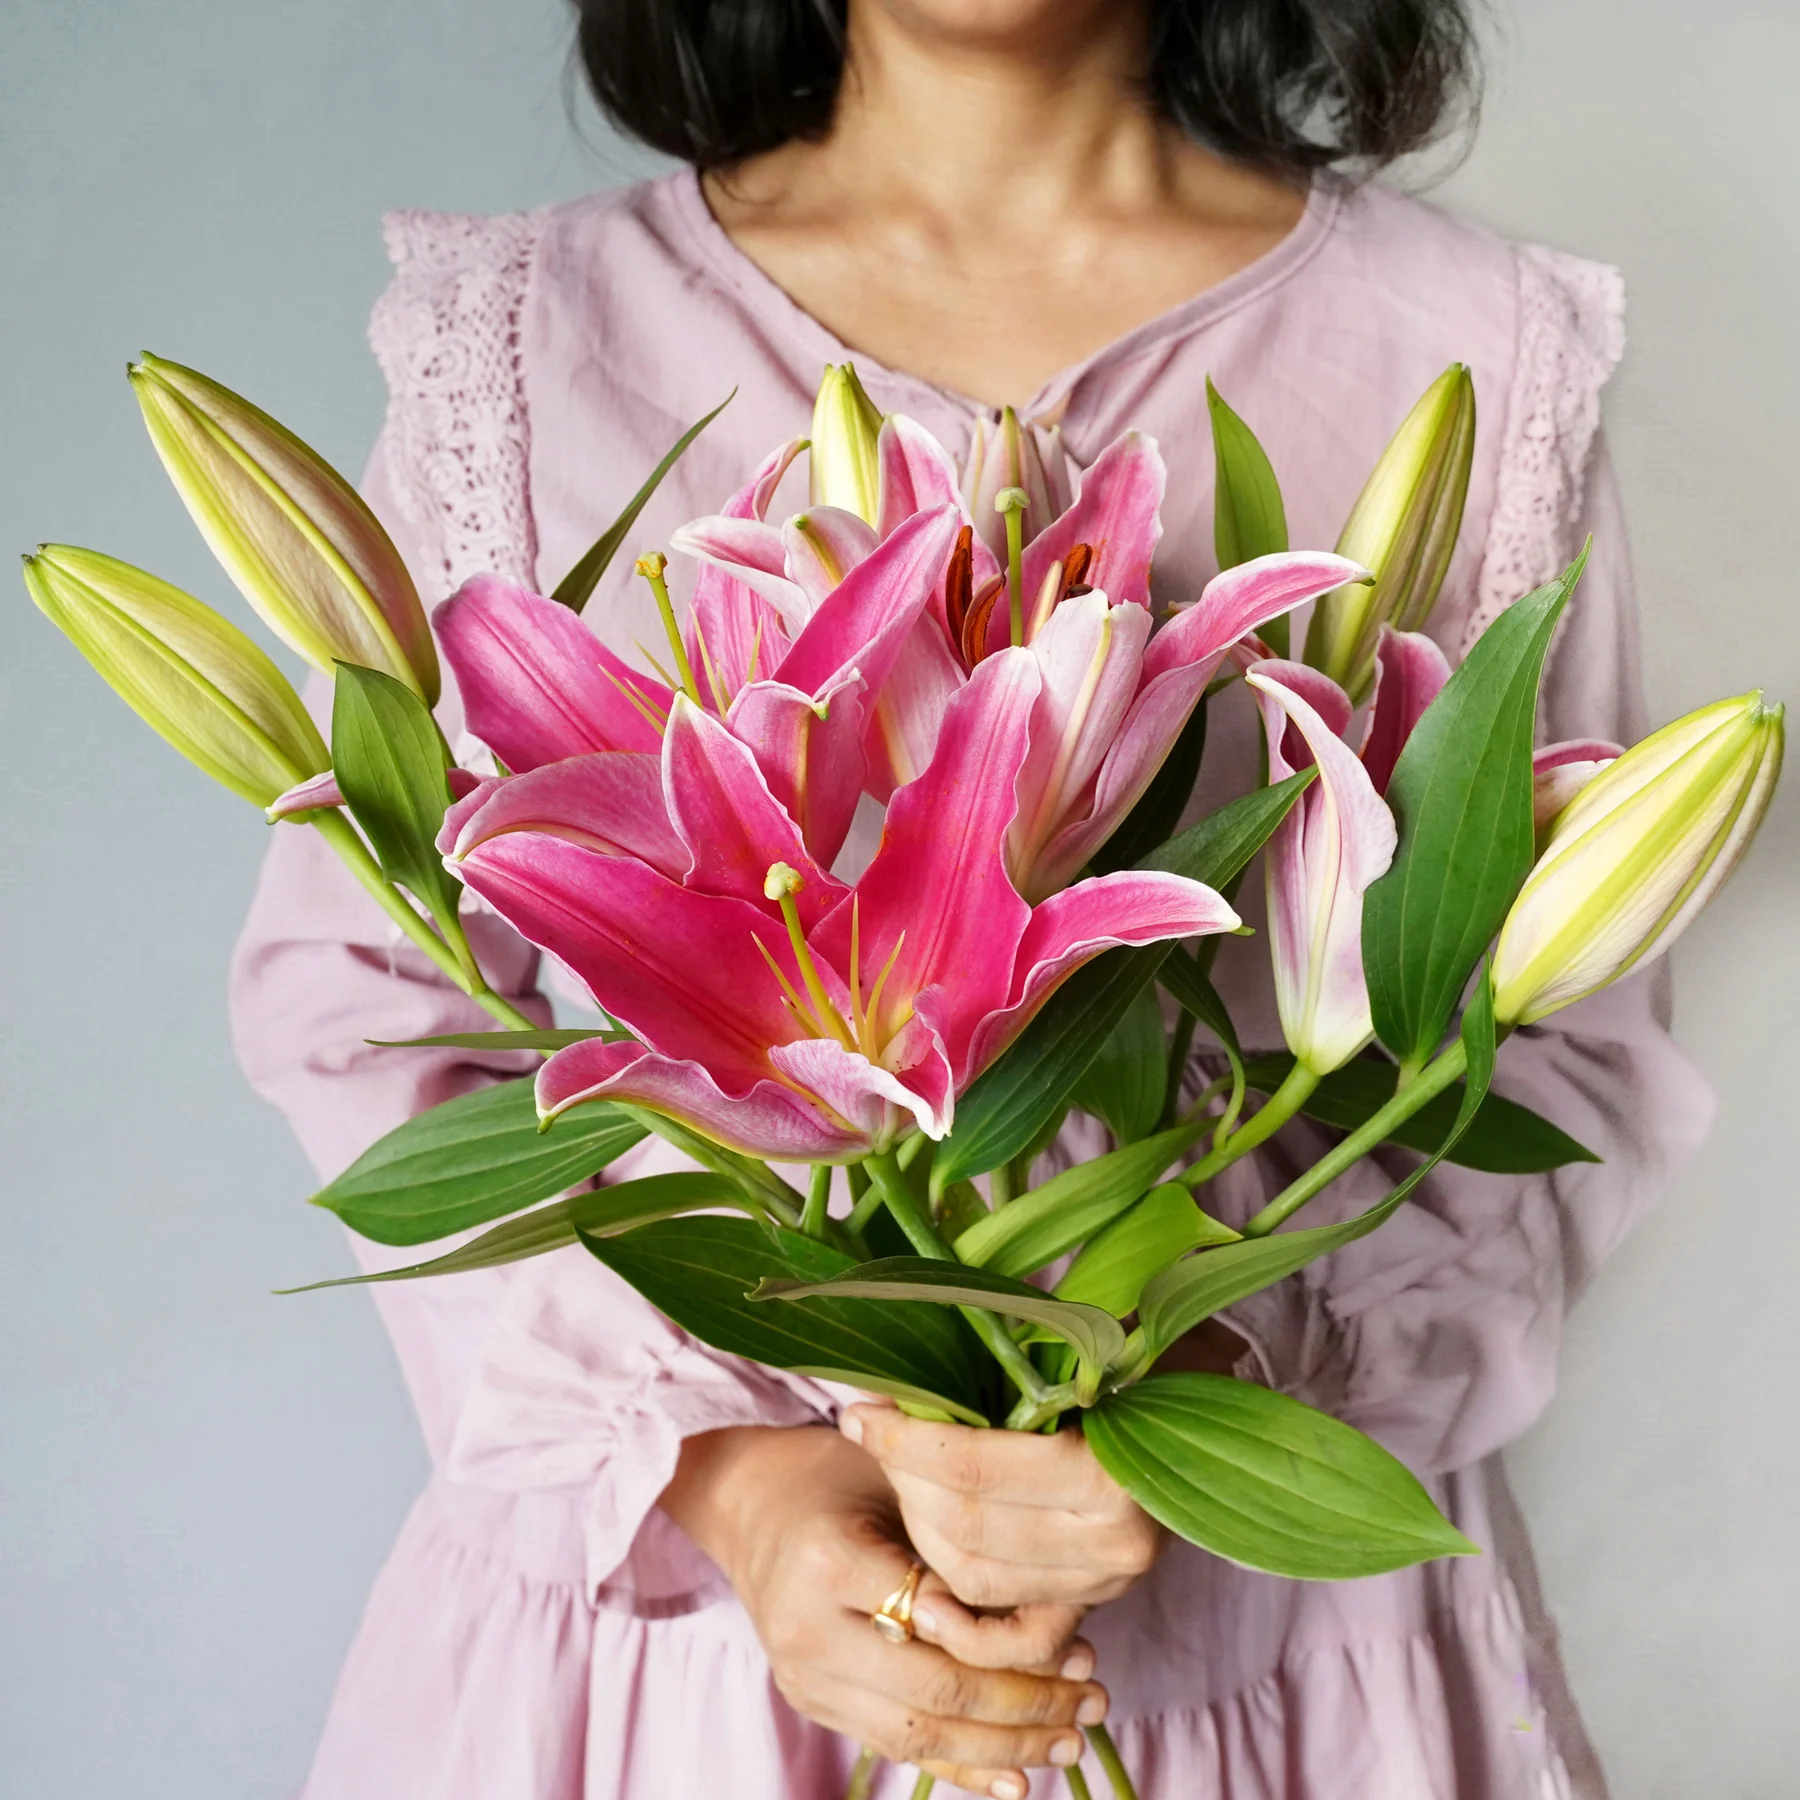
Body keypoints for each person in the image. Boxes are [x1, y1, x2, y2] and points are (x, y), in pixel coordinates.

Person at [230, 2, 1714, 1795]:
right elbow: (358, 995)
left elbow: (1560, 1039)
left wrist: (1196, 1385)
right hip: (688, 1660)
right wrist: (733, 1483)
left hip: (1287, 1672)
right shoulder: (530, 347)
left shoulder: (1474, 350)